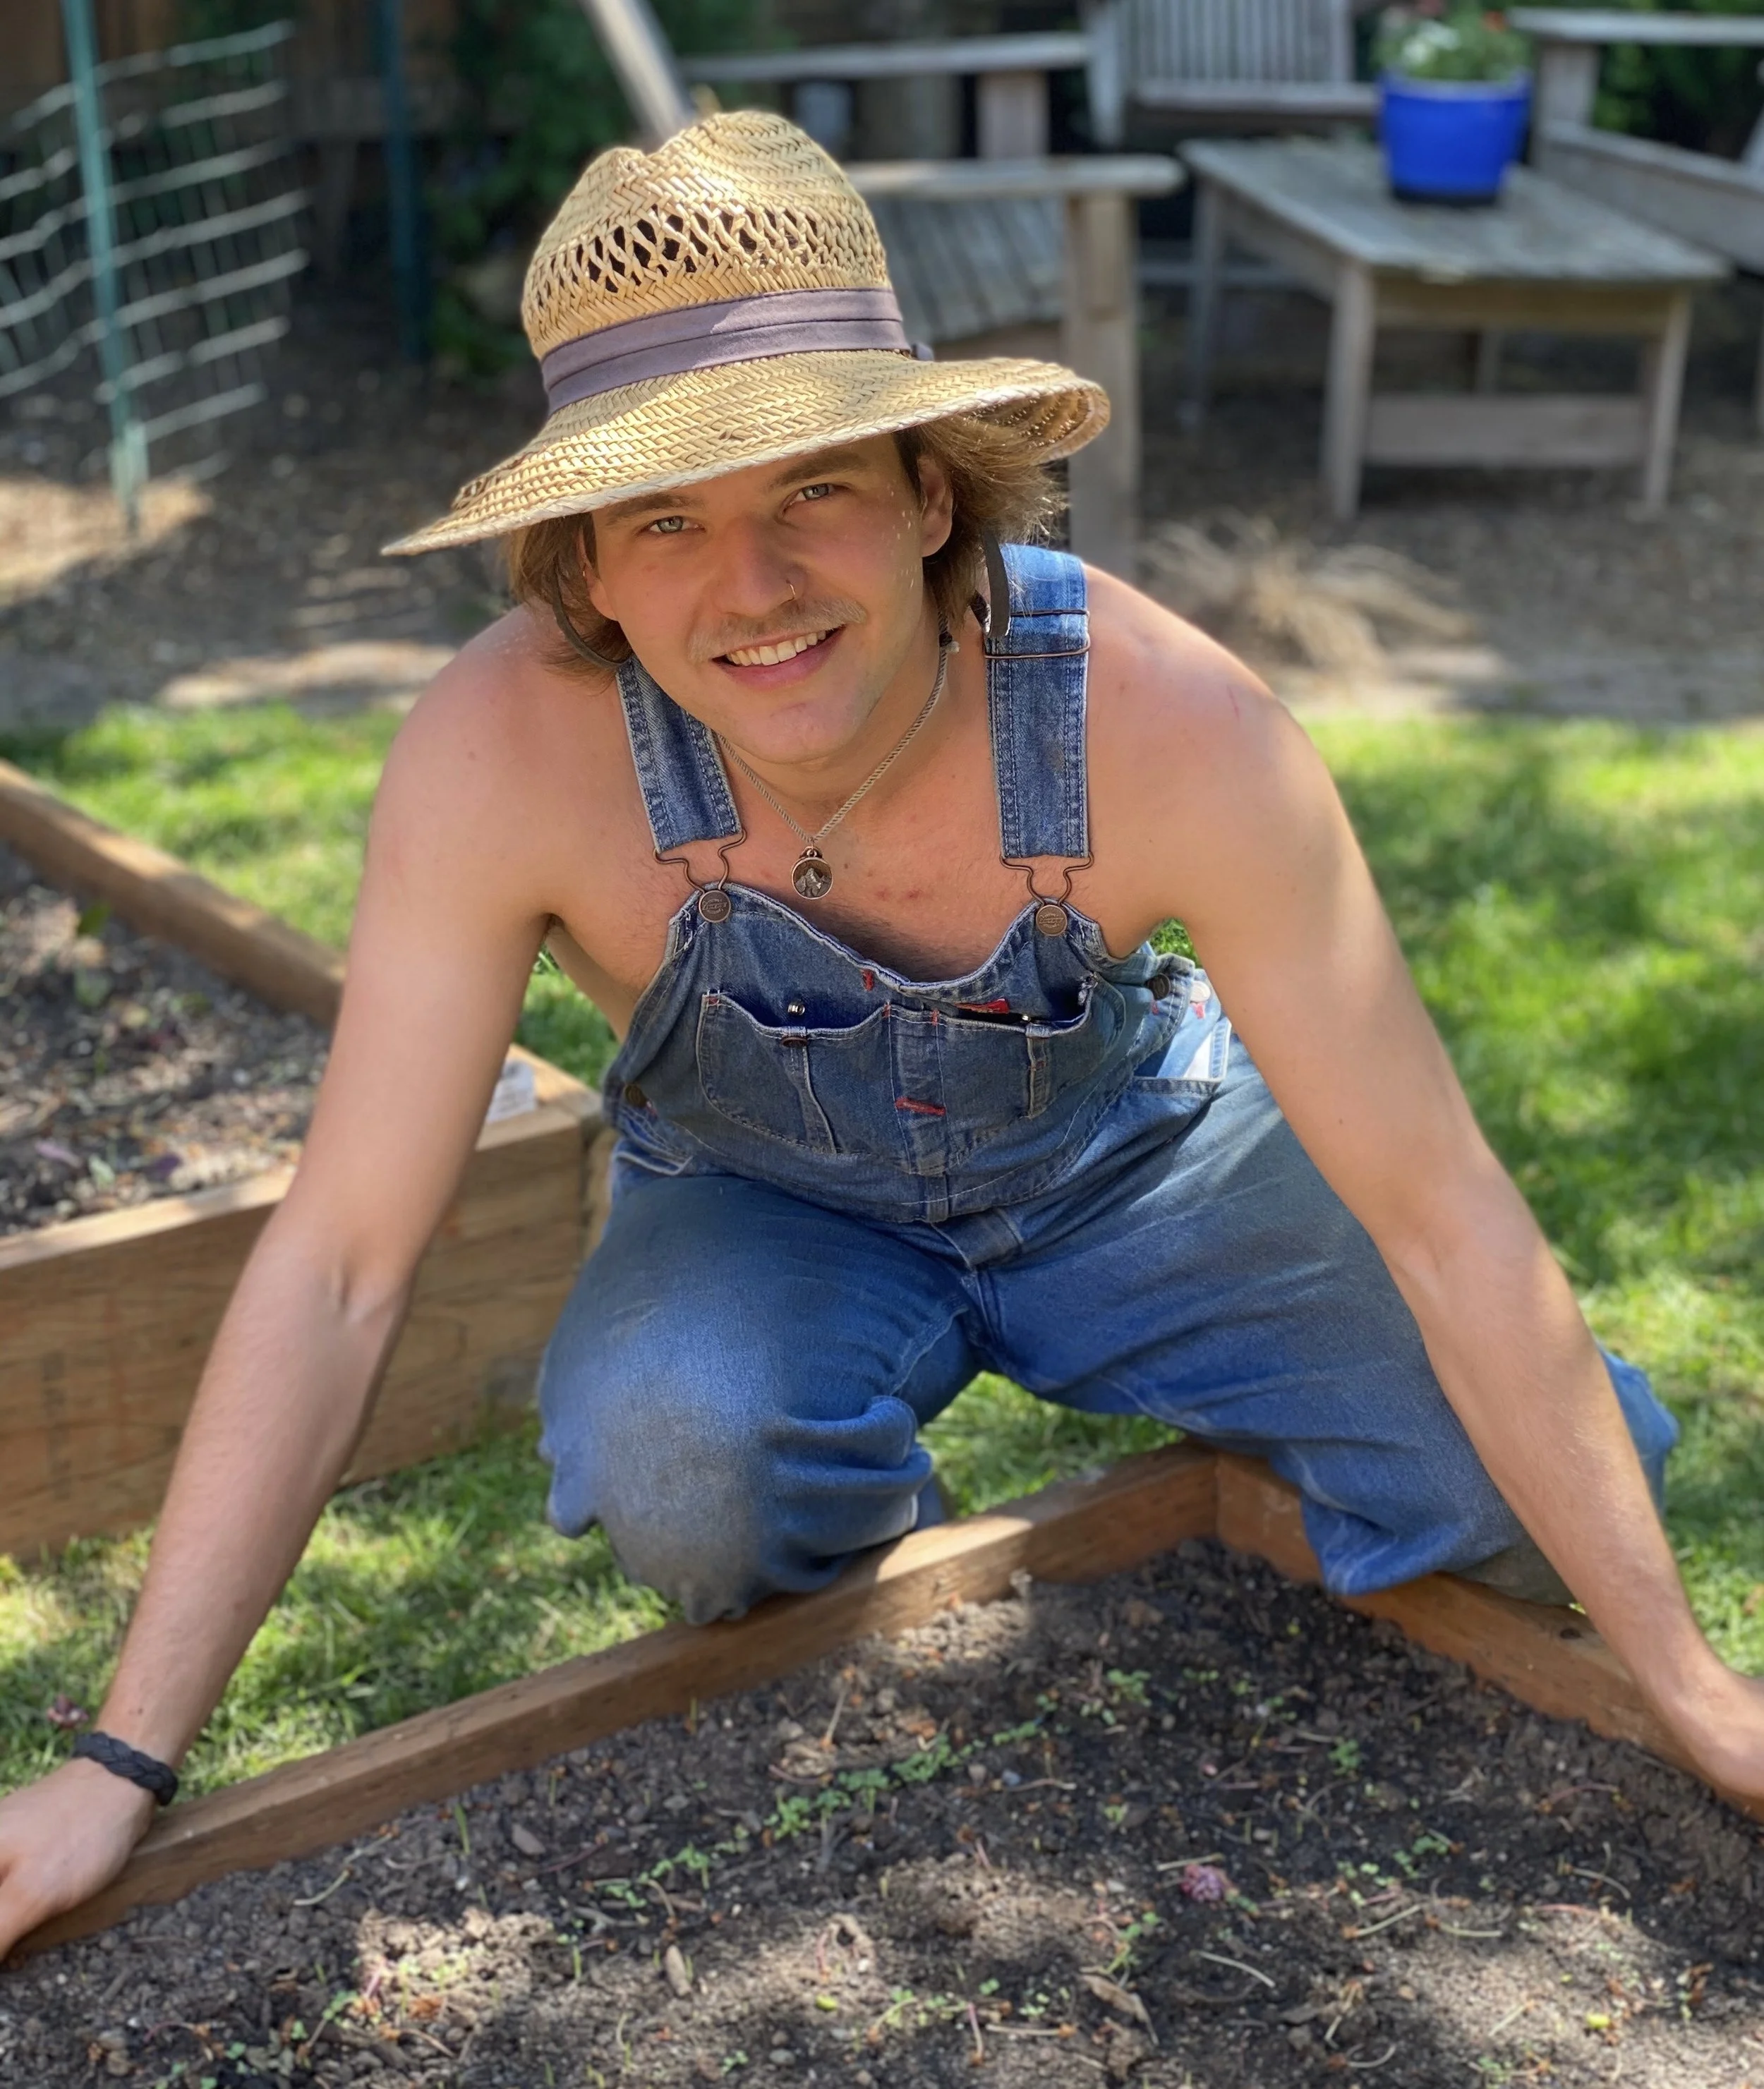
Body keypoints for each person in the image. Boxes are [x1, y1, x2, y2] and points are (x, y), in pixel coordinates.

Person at [2, 111, 1759, 1960]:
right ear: (584, 568)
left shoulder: (1174, 728)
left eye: (808, 491)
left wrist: (1692, 1682)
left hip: (1140, 1170)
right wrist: (121, 1760)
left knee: (1540, 1505)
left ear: (931, 493)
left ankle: (1268, 1472)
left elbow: (1441, 1212)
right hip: (765, 1205)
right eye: (664, 518)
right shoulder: (497, 754)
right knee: (690, 1462)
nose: (748, 583)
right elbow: (346, 1257)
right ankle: (868, 1538)